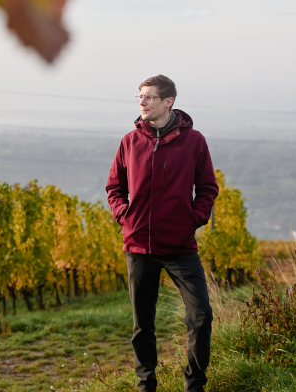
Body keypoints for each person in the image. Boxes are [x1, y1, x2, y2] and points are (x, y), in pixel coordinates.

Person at [106, 75, 219, 392]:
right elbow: (114, 187)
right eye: (140, 96)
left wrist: (193, 219)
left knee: (201, 315)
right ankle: (146, 383)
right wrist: (125, 217)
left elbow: (207, 188)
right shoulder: (130, 141)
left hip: (181, 246)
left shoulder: (194, 141)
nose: (142, 102)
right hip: (138, 246)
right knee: (142, 323)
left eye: (149, 97)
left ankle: (195, 383)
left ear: (168, 101)